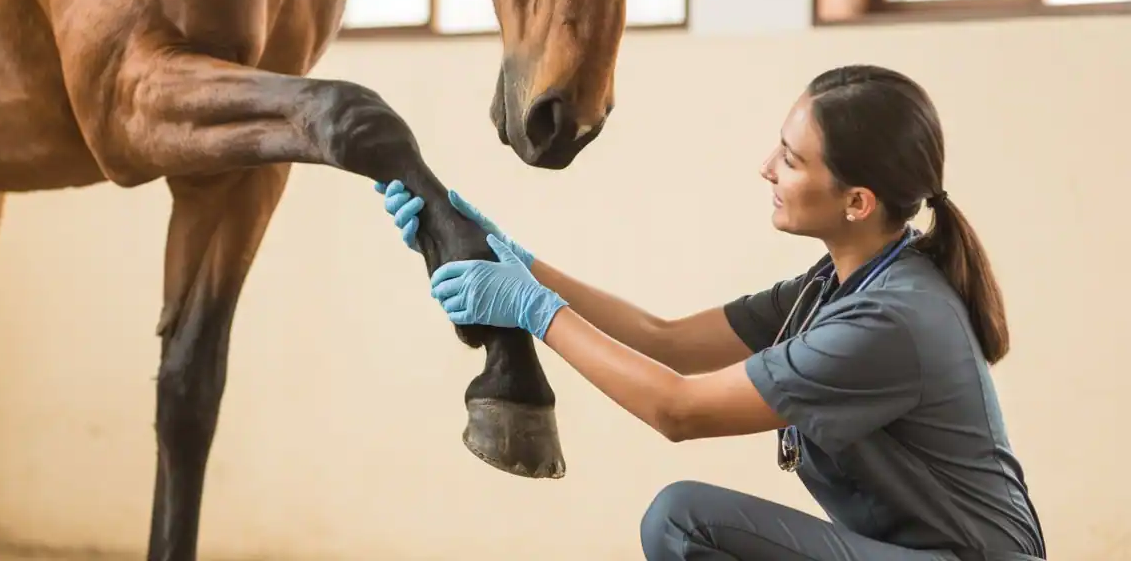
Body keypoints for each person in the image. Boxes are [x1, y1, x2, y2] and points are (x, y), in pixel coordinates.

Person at [373, 65, 1046, 560]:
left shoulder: (889, 323)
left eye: (790, 159)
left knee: (682, 521)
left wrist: (532, 309)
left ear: (858, 201)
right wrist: (510, 255)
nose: (766, 168)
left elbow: (679, 410)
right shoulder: (841, 284)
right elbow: (665, 341)